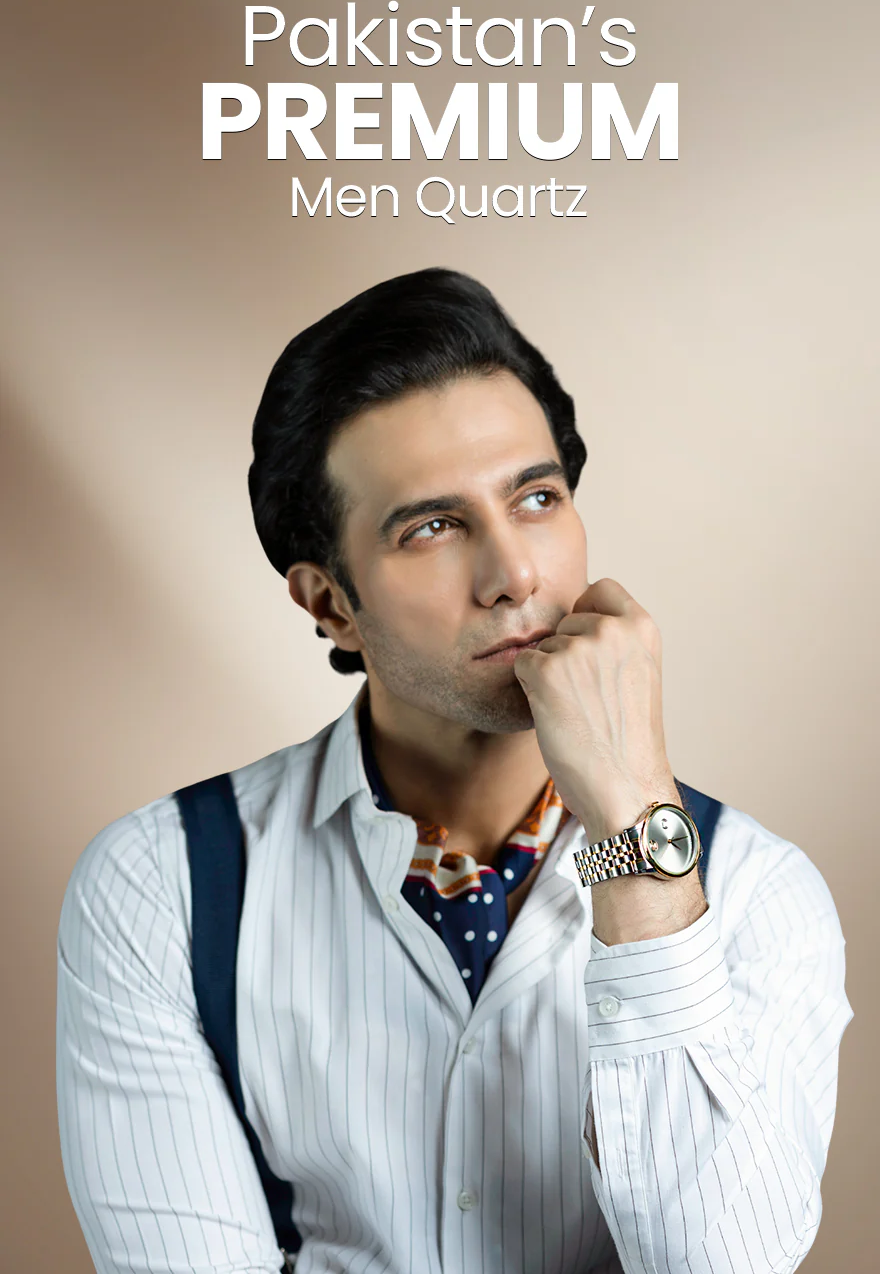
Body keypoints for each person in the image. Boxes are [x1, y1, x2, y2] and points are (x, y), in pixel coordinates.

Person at [57, 268, 853, 1274]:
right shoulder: (162, 886)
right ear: (330, 602)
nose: (514, 575)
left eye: (536, 498)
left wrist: (635, 832)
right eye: (431, 526)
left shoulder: (757, 891)